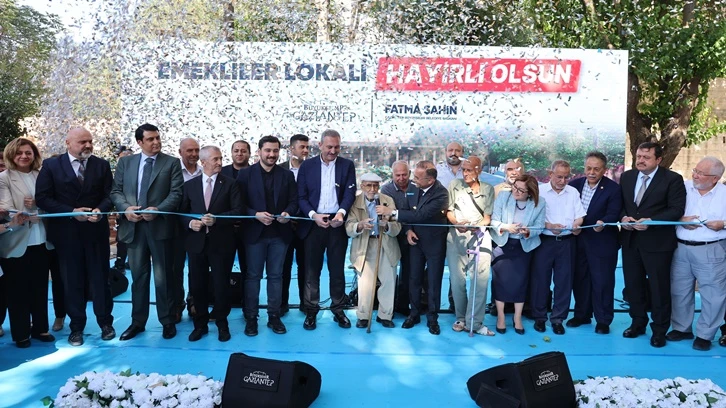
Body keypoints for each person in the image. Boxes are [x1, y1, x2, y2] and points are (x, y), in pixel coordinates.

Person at [35, 127, 116, 346]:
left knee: (101, 280)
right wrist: (71, 212)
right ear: (68, 143)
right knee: (72, 281)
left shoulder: (101, 165)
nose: (88, 145)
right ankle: (76, 327)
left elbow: (110, 194)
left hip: (95, 232)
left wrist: (100, 210)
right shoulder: (52, 165)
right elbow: (43, 198)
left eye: (90, 141)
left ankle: (105, 323)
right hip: (67, 234)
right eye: (82, 142)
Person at [110, 123, 184, 341]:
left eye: (158, 138)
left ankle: (167, 321)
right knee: (139, 278)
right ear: (139, 142)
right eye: (150, 139)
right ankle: (137, 322)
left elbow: (176, 193)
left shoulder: (171, 163)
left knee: (164, 278)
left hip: (160, 227)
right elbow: (115, 191)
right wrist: (125, 209)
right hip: (133, 229)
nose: (156, 142)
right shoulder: (125, 163)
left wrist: (158, 210)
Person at [619, 142, 686, 348]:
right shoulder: (627, 177)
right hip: (630, 241)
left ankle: (659, 330)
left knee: (659, 288)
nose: (640, 160)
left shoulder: (672, 179)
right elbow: (622, 204)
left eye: (646, 157)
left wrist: (652, 221)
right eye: (638, 156)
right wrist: (623, 218)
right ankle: (637, 323)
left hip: (658, 243)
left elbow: (676, 209)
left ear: (658, 159)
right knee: (633, 286)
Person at [378, 161, 448, 335]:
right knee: (413, 279)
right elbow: (408, 210)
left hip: (434, 243)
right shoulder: (414, 188)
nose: (413, 180)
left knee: (433, 282)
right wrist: (408, 230)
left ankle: (432, 318)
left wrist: (392, 213)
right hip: (415, 241)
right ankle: (414, 314)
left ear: (430, 180)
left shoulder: (441, 194)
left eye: (417, 177)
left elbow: (421, 214)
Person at [179, 146, 242, 342]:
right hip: (196, 244)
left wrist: (217, 220)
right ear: (203, 162)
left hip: (221, 244)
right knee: (197, 286)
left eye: (221, 158)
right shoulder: (189, 186)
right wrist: (190, 223)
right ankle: (200, 325)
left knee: (221, 285)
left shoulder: (231, 184)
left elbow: (238, 212)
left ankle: (222, 324)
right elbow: (181, 213)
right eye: (215, 159)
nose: (220, 163)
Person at [237, 136, 298, 336]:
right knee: (252, 277)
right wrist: (255, 214)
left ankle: (274, 316)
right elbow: (238, 204)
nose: (272, 154)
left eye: (275, 151)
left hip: (280, 235)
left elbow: (294, 201)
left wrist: (288, 213)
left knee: (276, 277)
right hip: (254, 235)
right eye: (268, 150)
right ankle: (251, 318)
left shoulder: (287, 175)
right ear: (259, 152)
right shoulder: (245, 174)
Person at [297, 129, 356, 330]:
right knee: (311, 271)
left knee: (337, 270)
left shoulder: (347, 165)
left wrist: (341, 213)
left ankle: (338, 309)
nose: (333, 151)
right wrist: (313, 215)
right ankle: (311, 311)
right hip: (313, 223)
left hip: (337, 223)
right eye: (329, 146)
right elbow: (301, 197)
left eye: (337, 147)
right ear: (320, 145)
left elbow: (349, 194)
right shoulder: (307, 166)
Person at [0, 138, 55, 348]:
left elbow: (51, 202)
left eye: (28, 152)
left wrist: (38, 206)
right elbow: (6, 208)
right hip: (16, 241)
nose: (24, 156)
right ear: (11, 155)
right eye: (19, 153)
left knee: (40, 287)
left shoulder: (41, 175)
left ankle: (40, 328)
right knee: (17, 291)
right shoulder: (4, 178)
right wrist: (25, 213)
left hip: (41, 239)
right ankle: (21, 333)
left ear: (34, 155)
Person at [668, 157, 726, 351]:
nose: (695, 175)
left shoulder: (724, 194)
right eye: (695, 170)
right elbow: (669, 211)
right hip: (681, 247)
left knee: (712, 294)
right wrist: (680, 219)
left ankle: (705, 334)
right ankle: (681, 328)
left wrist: (723, 224)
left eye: (701, 173)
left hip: (711, 249)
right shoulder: (683, 187)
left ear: (715, 178)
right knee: (679, 290)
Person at [567, 152, 623, 334]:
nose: (591, 172)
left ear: (604, 170)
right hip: (577, 240)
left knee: (602, 281)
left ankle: (603, 320)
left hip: (602, 242)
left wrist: (603, 222)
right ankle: (582, 315)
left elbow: (614, 213)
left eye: (596, 169)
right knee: (580, 279)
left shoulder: (613, 189)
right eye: (588, 168)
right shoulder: (574, 185)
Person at [530, 160, 585, 335]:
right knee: (541, 280)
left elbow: (580, 216)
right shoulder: (540, 191)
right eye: (559, 177)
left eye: (566, 177)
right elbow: (533, 218)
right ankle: (539, 317)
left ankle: (558, 319)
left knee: (564, 282)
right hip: (544, 242)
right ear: (550, 174)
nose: (563, 181)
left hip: (567, 242)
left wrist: (577, 225)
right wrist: (549, 225)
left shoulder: (573, 192)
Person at [490, 174, 546, 334]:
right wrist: (506, 227)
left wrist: (528, 231)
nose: (516, 191)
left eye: (521, 190)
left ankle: (517, 317)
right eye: (515, 187)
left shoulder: (540, 202)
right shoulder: (503, 196)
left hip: (523, 247)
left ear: (530, 193)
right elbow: (494, 221)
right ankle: (501, 317)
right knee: (500, 282)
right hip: (502, 244)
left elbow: (539, 226)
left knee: (521, 283)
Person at [445, 156, 495, 335]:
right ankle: (461, 317)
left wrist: (478, 226)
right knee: (457, 280)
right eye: (463, 170)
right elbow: (449, 211)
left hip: (480, 235)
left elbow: (488, 217)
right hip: (457, 235)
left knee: (480, 280)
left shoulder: (488, 189)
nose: (465, 173)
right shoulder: (454, 185)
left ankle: (475, 322)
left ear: (479, 170)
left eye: (469, 170)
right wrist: (456, 223)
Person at [345, 173, 401, 328]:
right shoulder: (354, 202)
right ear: (362, 186)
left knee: (388, 280)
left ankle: (385, 315)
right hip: (364, 244)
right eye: (368, 185)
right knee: (365, 283)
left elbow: (397, 227)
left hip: (385, 243)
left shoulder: (387, 200)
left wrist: (387, 225)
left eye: (375, 186)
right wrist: (360, 225)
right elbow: (348, 227)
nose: (372, 189)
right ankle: (364, 316)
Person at [381, 160, 420, 316]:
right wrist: (406, 225)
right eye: (398, 175)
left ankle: (404, 305)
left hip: (411, 235)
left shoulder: (415, 188)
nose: (401, 178)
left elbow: (416, 213)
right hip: (392, 234)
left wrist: (408, 226)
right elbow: (388, 215)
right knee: (388, 272)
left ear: (409, 174)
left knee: (409, 271)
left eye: (404, 174)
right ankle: (387, 307)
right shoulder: (386, 189)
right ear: (392, 175)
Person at [279, 134, 309, 314]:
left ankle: (306, 304)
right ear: (291, 149)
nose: (305, 150)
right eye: (301, 147)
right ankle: (282, 304)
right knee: (283, 267)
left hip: (306, 225)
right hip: (284, 226)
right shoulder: (279, 169)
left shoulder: (313, 169)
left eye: (307, 147)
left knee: (305, 267)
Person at [172, 138, 202, 320]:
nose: (194, 154)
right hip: (175, 228)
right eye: (189, 150)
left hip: (197, 229)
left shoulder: (203, 172)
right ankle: (177, 304)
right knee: (175, 268)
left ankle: (194, 301)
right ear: (180, 152)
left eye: (197, 150)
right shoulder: (172, 171)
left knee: (196, 269)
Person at [221, 139, 252, 309]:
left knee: (249, 271)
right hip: (225, 229)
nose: (239, 153)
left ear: (249, 153)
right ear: (231, 153)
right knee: (222, 270)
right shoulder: (222, 172)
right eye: (236, 150)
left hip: (249, 229)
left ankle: (248, 307)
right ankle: (221, 306)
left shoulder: (255, 172)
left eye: (243, 151)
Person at [113, 146, 132, 275]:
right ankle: (120, 265)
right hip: (124, 211)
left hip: (138, 210)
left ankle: (130, 262)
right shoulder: (119, 175)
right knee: (122, 239)